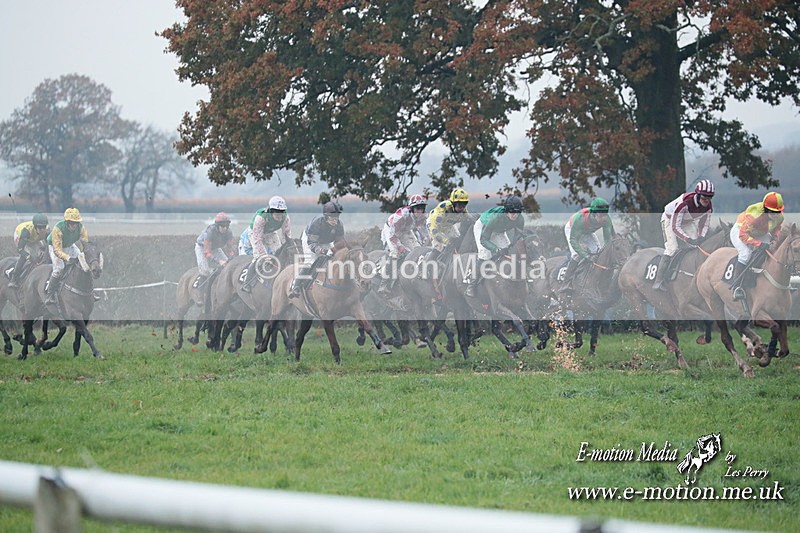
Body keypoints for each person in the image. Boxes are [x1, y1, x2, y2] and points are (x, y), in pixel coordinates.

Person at [652, 180, 715, 291]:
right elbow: (675, 227)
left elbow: (704, 225)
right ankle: (658, 280)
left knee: (697, 246)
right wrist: (687, 239)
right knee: (672, 248)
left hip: (687, 221)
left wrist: (701, 237)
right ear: (698, 195)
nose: (706, 201)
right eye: (704, 198)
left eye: (709, 198)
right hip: (670, 219)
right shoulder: (685, 203)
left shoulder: (708, 207)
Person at [464, 195, 525, 297]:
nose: (515, 215)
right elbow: (484, 240)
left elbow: (518, 235)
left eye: (518, 212)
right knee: (485, 255)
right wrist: (496, 249)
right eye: (512, 212)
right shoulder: (496, 217)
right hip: (483, 227)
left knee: (508, 252)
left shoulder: (520, 219)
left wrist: (511, 246)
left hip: (498, 230)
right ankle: (471, 286)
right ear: (507, 210)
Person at [729, 191, 784, 301]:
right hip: (740, 231)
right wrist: (758, 244)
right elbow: (743, 235)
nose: (775, 215)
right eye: (772, 212)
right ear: (765, 209)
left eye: (777, 212)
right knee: (746, 254)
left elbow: (777, 228)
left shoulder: (780, 216)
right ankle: (737, 287)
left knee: (774, 249)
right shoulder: (754, 215)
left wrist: (775, 237)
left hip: (760, 232)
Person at [558, 198, 616, 298]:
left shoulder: (607, 220)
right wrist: (586, 256)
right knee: (576, 255)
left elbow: (608, 241)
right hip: (573, 230)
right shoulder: (580, 219)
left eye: (605, 214)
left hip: (588, 231)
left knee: (598, 252)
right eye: (601, 216)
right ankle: (566, 284)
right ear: (593, 214)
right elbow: (573, 240)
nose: (604, 218)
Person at [288, 201, 345, 298]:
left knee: (334, 259)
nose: (335, 221)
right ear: (326, 217)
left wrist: (336, 250)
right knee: (310, 261)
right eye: (332, 218)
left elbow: (340, 242)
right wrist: (324, 251)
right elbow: (312, 244)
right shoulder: (317, 223)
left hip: (326, 241)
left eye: (336, 217)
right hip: (310, 240)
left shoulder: (339, 225)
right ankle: (296, 286)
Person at [377, 194, 428, 295]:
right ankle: (384, 284)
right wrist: (400, 247)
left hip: (405, 231)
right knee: (395, 253)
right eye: (417, 208)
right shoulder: (402, 216)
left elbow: (424, 232)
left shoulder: (423, 216)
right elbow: (392, 236)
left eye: (422, 208)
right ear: (412, 208)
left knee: (417, 250)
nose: (420, 211)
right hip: (391, 231)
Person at [241, 196, 291, 292]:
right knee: (259, 257)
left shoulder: (285, 217)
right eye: (276, 211)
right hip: (255, 233)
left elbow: (287, 236)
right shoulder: (261, 217)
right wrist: (264, 256)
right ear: (271, 210)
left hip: (271, 232)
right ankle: (246, 282)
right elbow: (258, 240)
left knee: (279, 253)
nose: (279, 214)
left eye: (281, 211)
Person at [45, 208, 89, 305]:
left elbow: (85, 244)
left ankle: (89, 292)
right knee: (59, 268)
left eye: (76, 223)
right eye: (72, 223)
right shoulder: (58, 228)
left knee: (84, 264)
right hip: (55, 246)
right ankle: (50, 294)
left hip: (70, 245)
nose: (75, 225)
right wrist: (68, 258)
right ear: (67, 222)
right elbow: (57, 250)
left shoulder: (81, 228)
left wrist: (83, 255)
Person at [8, 213, 50, 289]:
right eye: (40, 228)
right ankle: (14, 278)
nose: (42, 230)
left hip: (34, 239)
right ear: (35, 227)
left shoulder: (47, 231)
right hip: (21, 237)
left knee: (42, 253)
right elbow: (20, 249)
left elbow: (49, 246)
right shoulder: (26, 231)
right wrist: (29, 257)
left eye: (44, 227)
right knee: (27, 255)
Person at [427, 188, 469, 258]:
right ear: (453, 203)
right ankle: (428, 265)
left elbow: (468, 221)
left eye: (464, 204)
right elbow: (434, 231)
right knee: (439, 246)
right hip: (434, 225)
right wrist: (446, 241)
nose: (462, 207)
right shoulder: (443, 209)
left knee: (458, 240)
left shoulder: (464, 210)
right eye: (459, 204)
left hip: (448, 226)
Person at [195, 212, 235, 278]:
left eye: (227, 225)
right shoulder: (209, 232)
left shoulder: (229, 232)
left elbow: (230, 250)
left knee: (228, 267)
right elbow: (207, 253)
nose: (225, 228)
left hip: (215, 248)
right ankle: (202, 288)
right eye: (222, 226)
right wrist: (219, 261)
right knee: (205, 271)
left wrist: (232, 258)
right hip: (202, 248)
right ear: (217, 225)